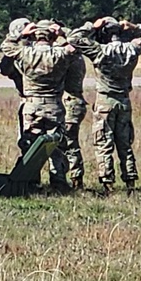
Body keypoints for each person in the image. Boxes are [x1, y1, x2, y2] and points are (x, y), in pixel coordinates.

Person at [67, 17, 141, 193]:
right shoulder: (132, 48)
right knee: (124, 143)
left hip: (105, 101)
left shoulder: (100, 50)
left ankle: (107, 182)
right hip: (124, 100)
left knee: (103, 143)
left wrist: (91, 26)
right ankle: (130, 179)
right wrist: (134, 27)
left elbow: (73, 39)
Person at [0, 19, 75, 189]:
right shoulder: (60, 53)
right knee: (56, 144)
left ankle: (30, 180)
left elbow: (6, 46)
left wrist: (21, 34)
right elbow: (77, 45)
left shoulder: (26, 53)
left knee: (30, 144)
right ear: (51, 36)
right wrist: (63, 32)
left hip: (32, 105)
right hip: (54, 104)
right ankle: (58, 180)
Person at [61, 40, 88, 189]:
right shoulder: (77, 56)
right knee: (69, 142)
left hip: (70, 102)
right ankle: (75, 178)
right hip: (75, 101)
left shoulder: (70, 59)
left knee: (69, 143)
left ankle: (76, 179)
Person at [0, 17, 30, 144]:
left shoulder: (27, 53)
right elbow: (4, 69)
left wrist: (12, 40)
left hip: (29, 103)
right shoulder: (20, 55)